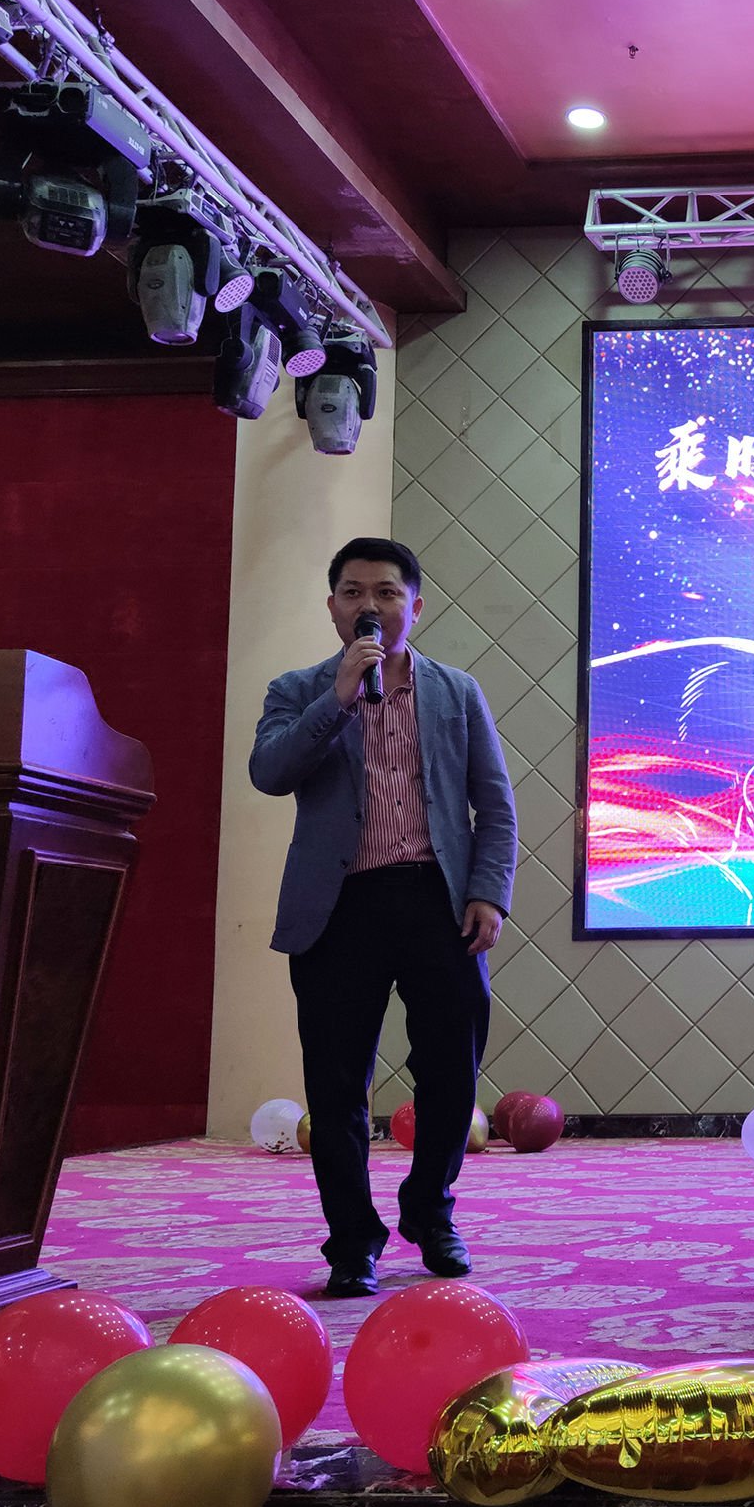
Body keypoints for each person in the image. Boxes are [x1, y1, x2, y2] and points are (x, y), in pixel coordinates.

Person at [249, 536, 517, 1297]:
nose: (370, 605)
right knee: (336, 1086)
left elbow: (495, 805)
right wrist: (336, 698)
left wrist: (489, 892)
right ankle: (352, 1242)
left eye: (387, 592)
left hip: (438, 901)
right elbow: (270, 772)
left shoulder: (457, 692)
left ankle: (430, 1213)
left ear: (415, 606)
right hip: (338, 909)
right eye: (354, 592)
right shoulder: (297, 690)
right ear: (333, 607)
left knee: (450, 1073)